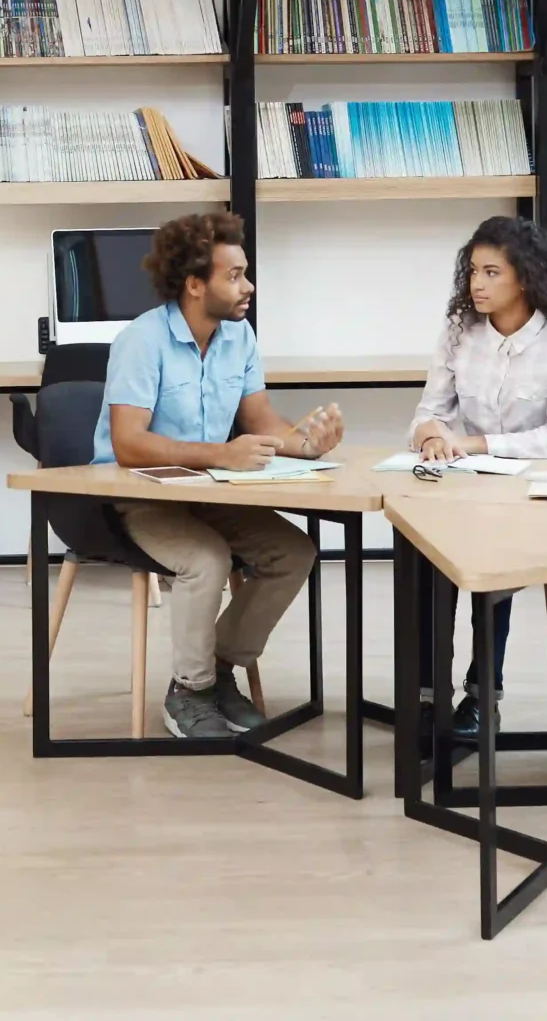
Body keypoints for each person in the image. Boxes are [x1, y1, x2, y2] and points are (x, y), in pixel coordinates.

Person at [98, 212, 346, 740]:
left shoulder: (239, 337)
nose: (248, 286)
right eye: (234, 275)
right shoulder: (141, 341)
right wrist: (220, 455)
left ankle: (216, 672)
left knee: (294, 553)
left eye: (246, 273)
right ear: (194, 285)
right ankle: (190, 690)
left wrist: (306, 445)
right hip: (140, 495)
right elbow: (128, 442)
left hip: (207, 490)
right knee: (206, 560)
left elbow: (261, 422)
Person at [408, 214, 547, 745]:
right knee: (425, 555)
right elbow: (429, 412)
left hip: (536, 492)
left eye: (492, 272)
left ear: (525, 277)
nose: (477, 284)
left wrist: (472, 444)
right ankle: (427, 699)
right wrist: (430, 435)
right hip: (465, 487)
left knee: (487, 557)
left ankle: (482, 697)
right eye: (473, 271)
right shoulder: (459, 330)